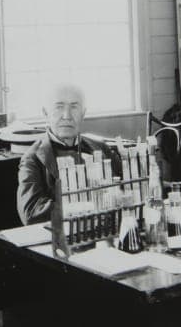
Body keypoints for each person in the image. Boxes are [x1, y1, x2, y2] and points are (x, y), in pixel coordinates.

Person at [16, 82, 122, 225]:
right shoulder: (33, 159)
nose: (67, 116)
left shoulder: (101, 148)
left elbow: (128, 189)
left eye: (74, 107)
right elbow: (32, 213)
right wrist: (89, 205)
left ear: (83, 113)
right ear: (45, 113)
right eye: (59, 107)